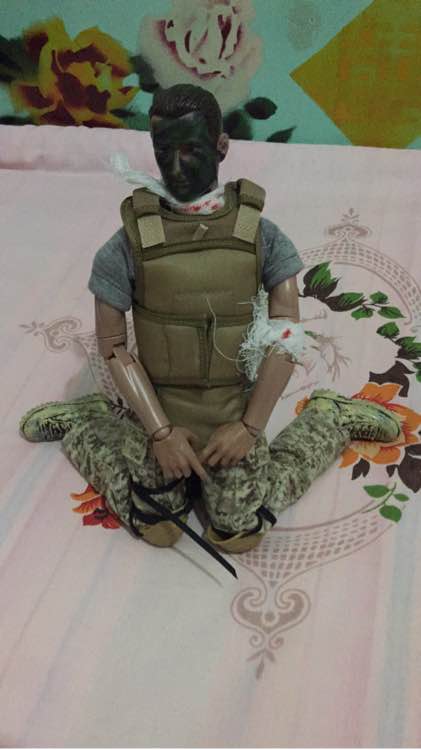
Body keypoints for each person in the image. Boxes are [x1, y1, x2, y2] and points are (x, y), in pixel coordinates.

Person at [20, 84, 402, 563]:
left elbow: (286, 338)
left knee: (238, 529)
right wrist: (160, 432)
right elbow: (113, 348)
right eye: (163, 152)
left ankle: (329, 418)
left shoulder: (261, 236)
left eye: (192, 150)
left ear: (221, 147)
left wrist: (249, 426)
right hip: (160, 408)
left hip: (232, 411)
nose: (176, 167)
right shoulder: (127, 245)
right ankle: (88, 421)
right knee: (157, 527)